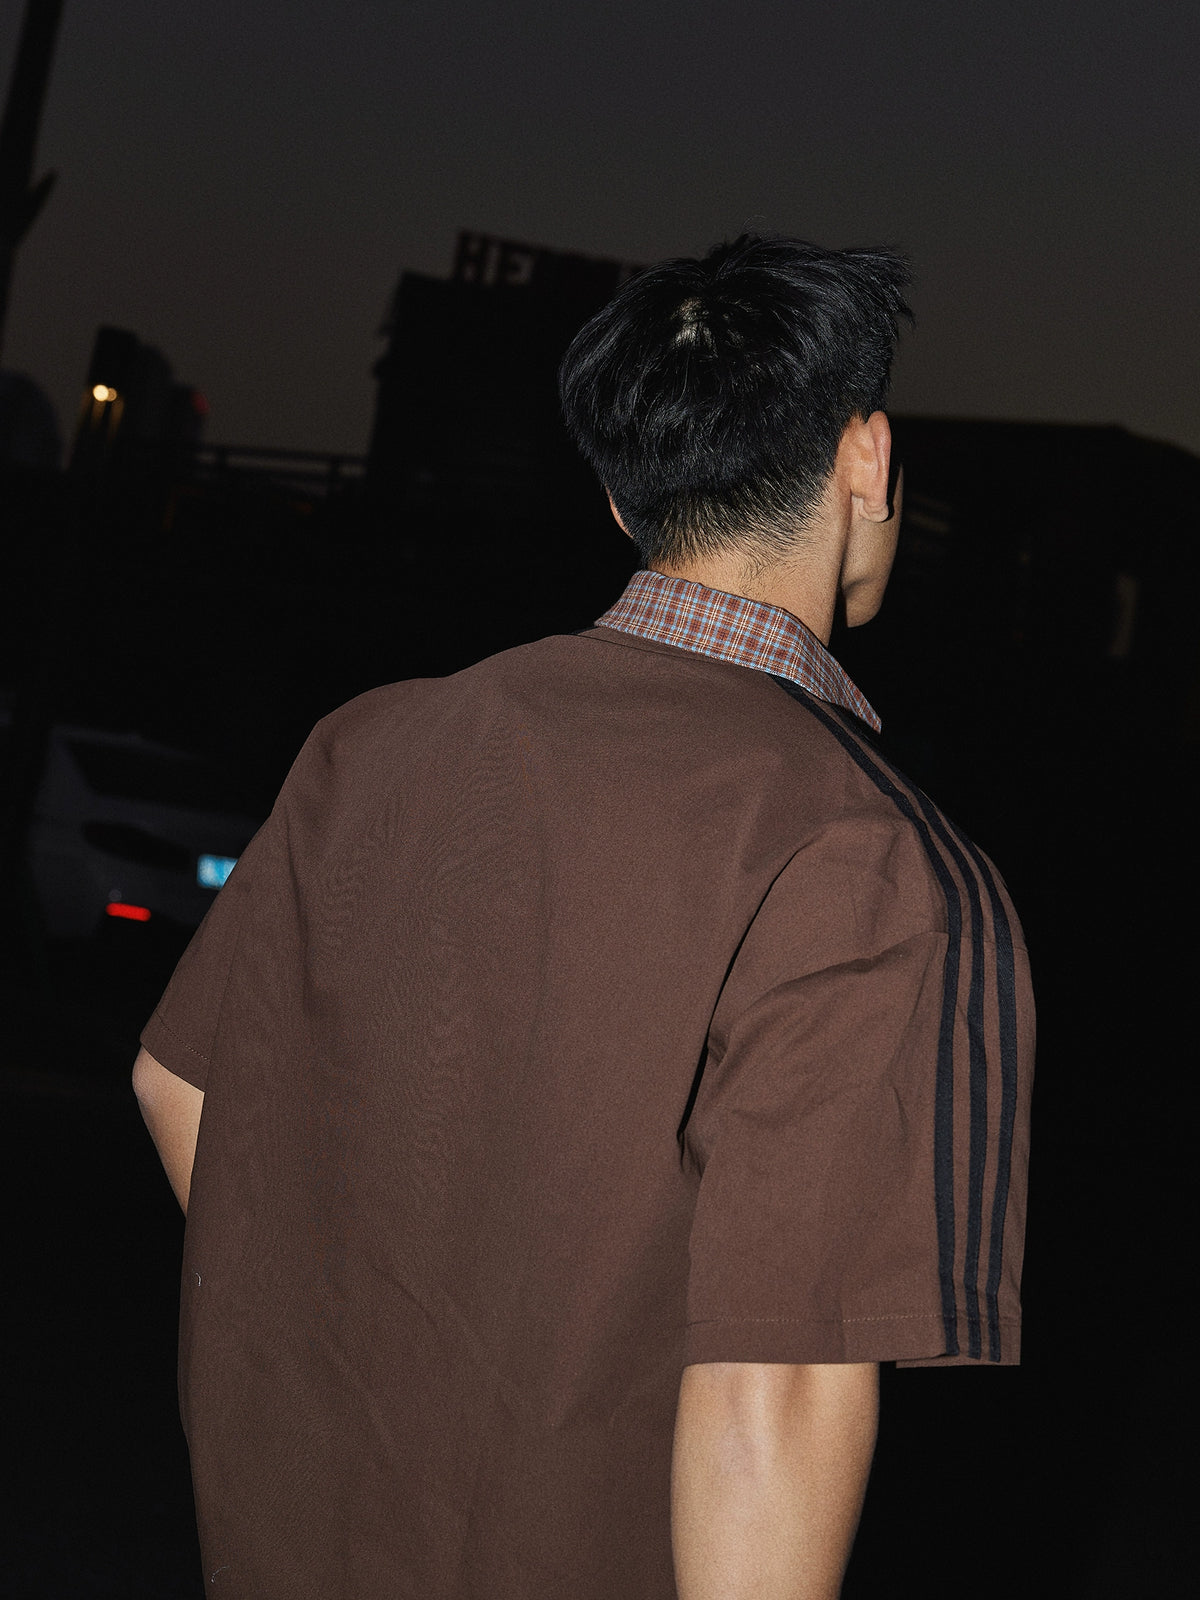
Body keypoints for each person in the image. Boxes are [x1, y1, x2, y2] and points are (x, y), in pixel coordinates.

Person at [134, 233, 1034, 1600]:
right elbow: (778, 1387)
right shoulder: (870, 858)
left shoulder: (372, 745)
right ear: (868, 457)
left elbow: (179, 1083)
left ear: (621, 499)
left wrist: (382, 1340)